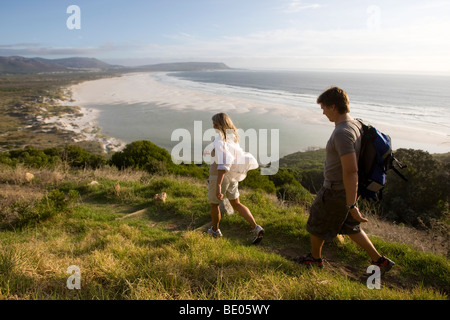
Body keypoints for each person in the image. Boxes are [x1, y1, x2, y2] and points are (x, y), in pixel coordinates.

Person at [294, 87, 395, 273]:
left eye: (324, 107)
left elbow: (351, 171)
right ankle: (379, 260)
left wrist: (351, 204)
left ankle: (315, 259)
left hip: (335, 191)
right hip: (346, 191)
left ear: (333, 106)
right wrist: (351, 199)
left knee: (315, 224)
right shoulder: (356, 123)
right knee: (350, 227)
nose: (323, 112)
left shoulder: (342, 133)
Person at [207, 113, 265, 244]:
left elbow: (223, 163)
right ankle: (256, 227)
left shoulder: (220, 140)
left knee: (214, 204)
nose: (213, 125)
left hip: (219, 176)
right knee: (236, 204)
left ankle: (215, 231)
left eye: (215, 123)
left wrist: (218, 185)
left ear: (220, 125)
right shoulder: (233, 137)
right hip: (232, 176)